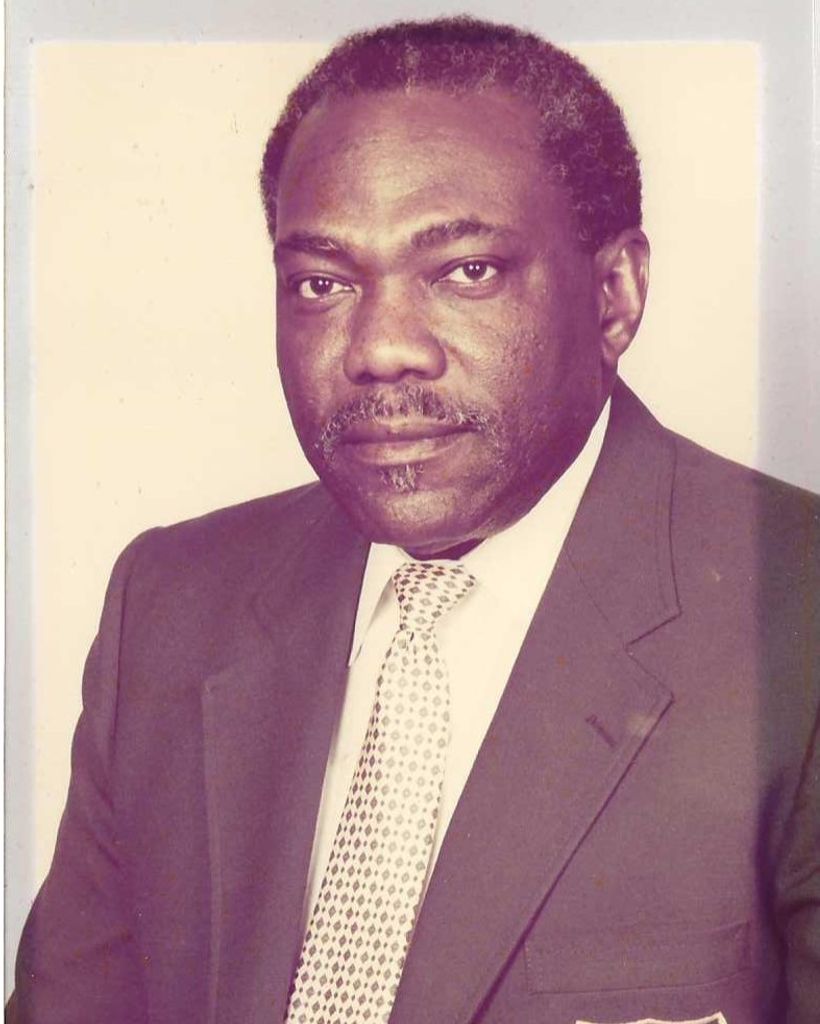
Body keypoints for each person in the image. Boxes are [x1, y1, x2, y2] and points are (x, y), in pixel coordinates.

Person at [8, 16, 819, 1024]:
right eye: (322, 284)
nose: (381, 348)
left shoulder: (794, 617)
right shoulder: (171, 607)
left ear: (614, 296)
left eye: (465, 271)